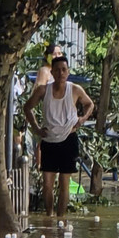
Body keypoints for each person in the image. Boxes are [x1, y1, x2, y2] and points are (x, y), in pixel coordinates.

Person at [22, 56, 93, 218]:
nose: (61, 73)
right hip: (49, 140)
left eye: (64, 70)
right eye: (58, 70)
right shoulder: (43, 90)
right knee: (47, 183)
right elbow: (27, 107)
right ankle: (49, 216)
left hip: (69, 139)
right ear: (52, 72)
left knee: (64, 184)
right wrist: (36, 129)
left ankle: (61, 219)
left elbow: (90, 104)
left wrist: (82, 119)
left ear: (68, 72)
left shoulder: (75, 89)